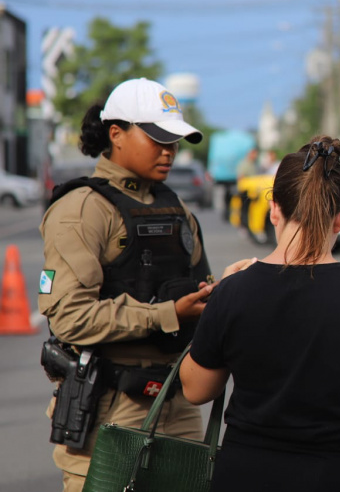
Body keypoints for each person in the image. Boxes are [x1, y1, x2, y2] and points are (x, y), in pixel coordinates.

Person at [179, 135, 340, 491]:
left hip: (248, 473)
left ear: (274, 208)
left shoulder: (233, 290)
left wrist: (220, 300)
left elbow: (196, 389)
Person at [39, 77, 225, 492]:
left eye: (175, 140)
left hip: (177, 403)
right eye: (157, 138)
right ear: (116, 134)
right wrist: (166, 314)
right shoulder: (82, 210)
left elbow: (202, 292)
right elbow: (70, 317)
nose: (169, 151)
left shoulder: (177, 209)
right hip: (110, 408)